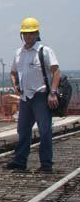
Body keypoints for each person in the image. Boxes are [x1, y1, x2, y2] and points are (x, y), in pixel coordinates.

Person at [6, 17, 60, 173]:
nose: (28, 36)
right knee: (22, 130)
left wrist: (53, 93)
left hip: (41, 96)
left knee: (44, 131)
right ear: (22, 35)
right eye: (25, 33)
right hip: (25, 98)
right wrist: (15, 85)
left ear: (37, 34)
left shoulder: (44, 51)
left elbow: (56, 72)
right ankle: (20, 161)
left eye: (31, 33)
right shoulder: (19, 53)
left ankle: (46, 164)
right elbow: (13, 72)